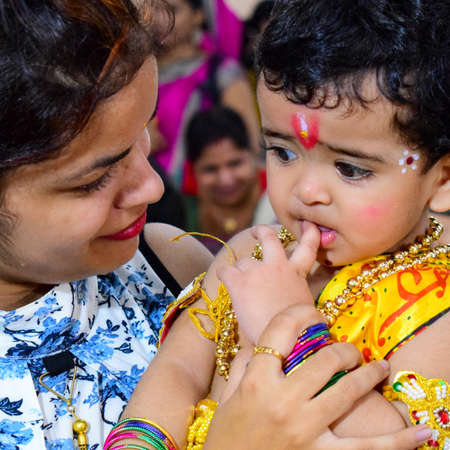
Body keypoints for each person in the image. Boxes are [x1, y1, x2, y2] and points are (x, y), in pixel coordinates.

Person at [0, 1, 428, 450]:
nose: (153, 188)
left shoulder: (171, 262)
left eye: (143, 134)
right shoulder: (244, 261)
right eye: (94, 180)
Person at [120, 0, 450, 448]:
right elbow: (177, 371)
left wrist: (290, 323)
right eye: (283, 153)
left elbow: (402, 438)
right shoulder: (246, 254)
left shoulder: (435, 309)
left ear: (443, 180)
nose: (306, 190)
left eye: (351, 169)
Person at [152, 0, 261, 192]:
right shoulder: (138, 78)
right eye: (154, 10)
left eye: (173, 10)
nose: (161, 20)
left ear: (198, 15)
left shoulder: (222, 75)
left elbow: (249, 149)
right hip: (151, 198)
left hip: (207, 199)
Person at [184, 105, 268, 253]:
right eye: (210, 169)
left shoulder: (275, 196)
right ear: (193, 170)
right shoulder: (184, 208)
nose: (226, 180)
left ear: (253, 156)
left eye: (235, 163)